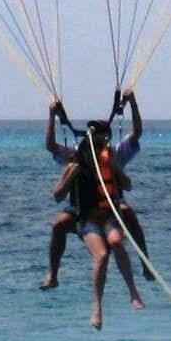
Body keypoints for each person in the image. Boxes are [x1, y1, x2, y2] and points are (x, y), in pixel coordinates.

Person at [41, 92, 150, 289]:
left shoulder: (115, 156)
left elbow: (137, 133)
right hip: (79, 208)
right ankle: (53, 274)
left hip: (111, 205)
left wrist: (132, 103)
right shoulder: (74, 158)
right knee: (58, 225)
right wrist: (52, 115)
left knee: (128, 213)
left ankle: (146, 264)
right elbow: (50, 146)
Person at [52, 119, 145, 328]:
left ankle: (133, 291)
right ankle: (97, 308)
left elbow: (128, 186)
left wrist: (115, 168)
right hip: (88, 221)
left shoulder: (110, 162)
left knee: (116, 242)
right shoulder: (74, 165)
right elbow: (57, 196)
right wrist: (70, 177)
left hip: (109, 218)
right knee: (101, 256)